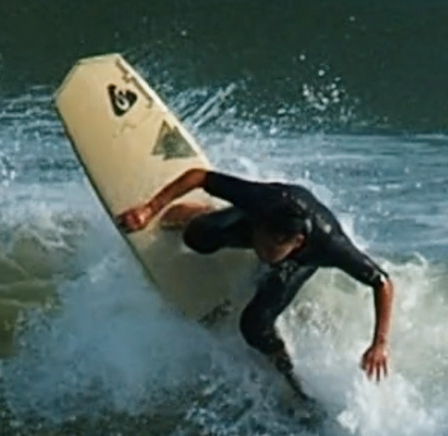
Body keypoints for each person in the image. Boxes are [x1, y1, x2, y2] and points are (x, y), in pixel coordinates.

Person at [116, 167, 393, 402]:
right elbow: (200, 176)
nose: (264, 252)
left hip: (301, 260)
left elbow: (382, 283)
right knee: (198, 237)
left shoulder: (330, 246)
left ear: (296, 242)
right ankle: (202, 213)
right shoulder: (259, 200)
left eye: (273, 249)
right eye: (263, 244)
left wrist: (378, 343)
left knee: (254, 324)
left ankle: (284, 369)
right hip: (262, 217)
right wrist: (150, 209)